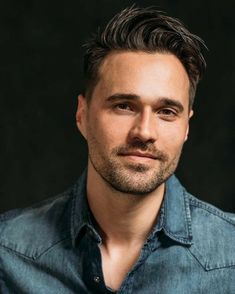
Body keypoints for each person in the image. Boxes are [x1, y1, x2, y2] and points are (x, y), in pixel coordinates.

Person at [0, 6, 234, 294]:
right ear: (82, 115)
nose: (144, 132)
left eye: (166, 111)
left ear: (186, 126)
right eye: (124, 106)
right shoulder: (6, 253)